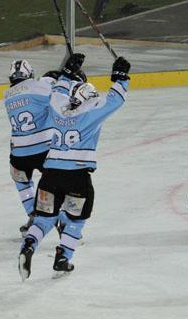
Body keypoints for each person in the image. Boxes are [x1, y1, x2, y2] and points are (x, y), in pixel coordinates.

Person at [18, 55, 131, 280]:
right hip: (77, 176)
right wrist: (121, 77)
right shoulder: (91, 112)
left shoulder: (59, 107)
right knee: (77, 219)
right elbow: (115, 100)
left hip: (50, 175)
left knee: (44, 219)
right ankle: (63, 257)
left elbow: (59, 90)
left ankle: (29, 244)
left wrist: (69, 73)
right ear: (89, 100)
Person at [4, 59, 60, 236]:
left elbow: (30, 91)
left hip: (19, 153)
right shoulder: (38, 87)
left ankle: (33, 215)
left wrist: (46, 80)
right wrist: (57, 80)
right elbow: (56, 97)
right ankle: (63, 223)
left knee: (22, 182)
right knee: (57, 182)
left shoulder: (7, 94)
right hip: (44, 149)